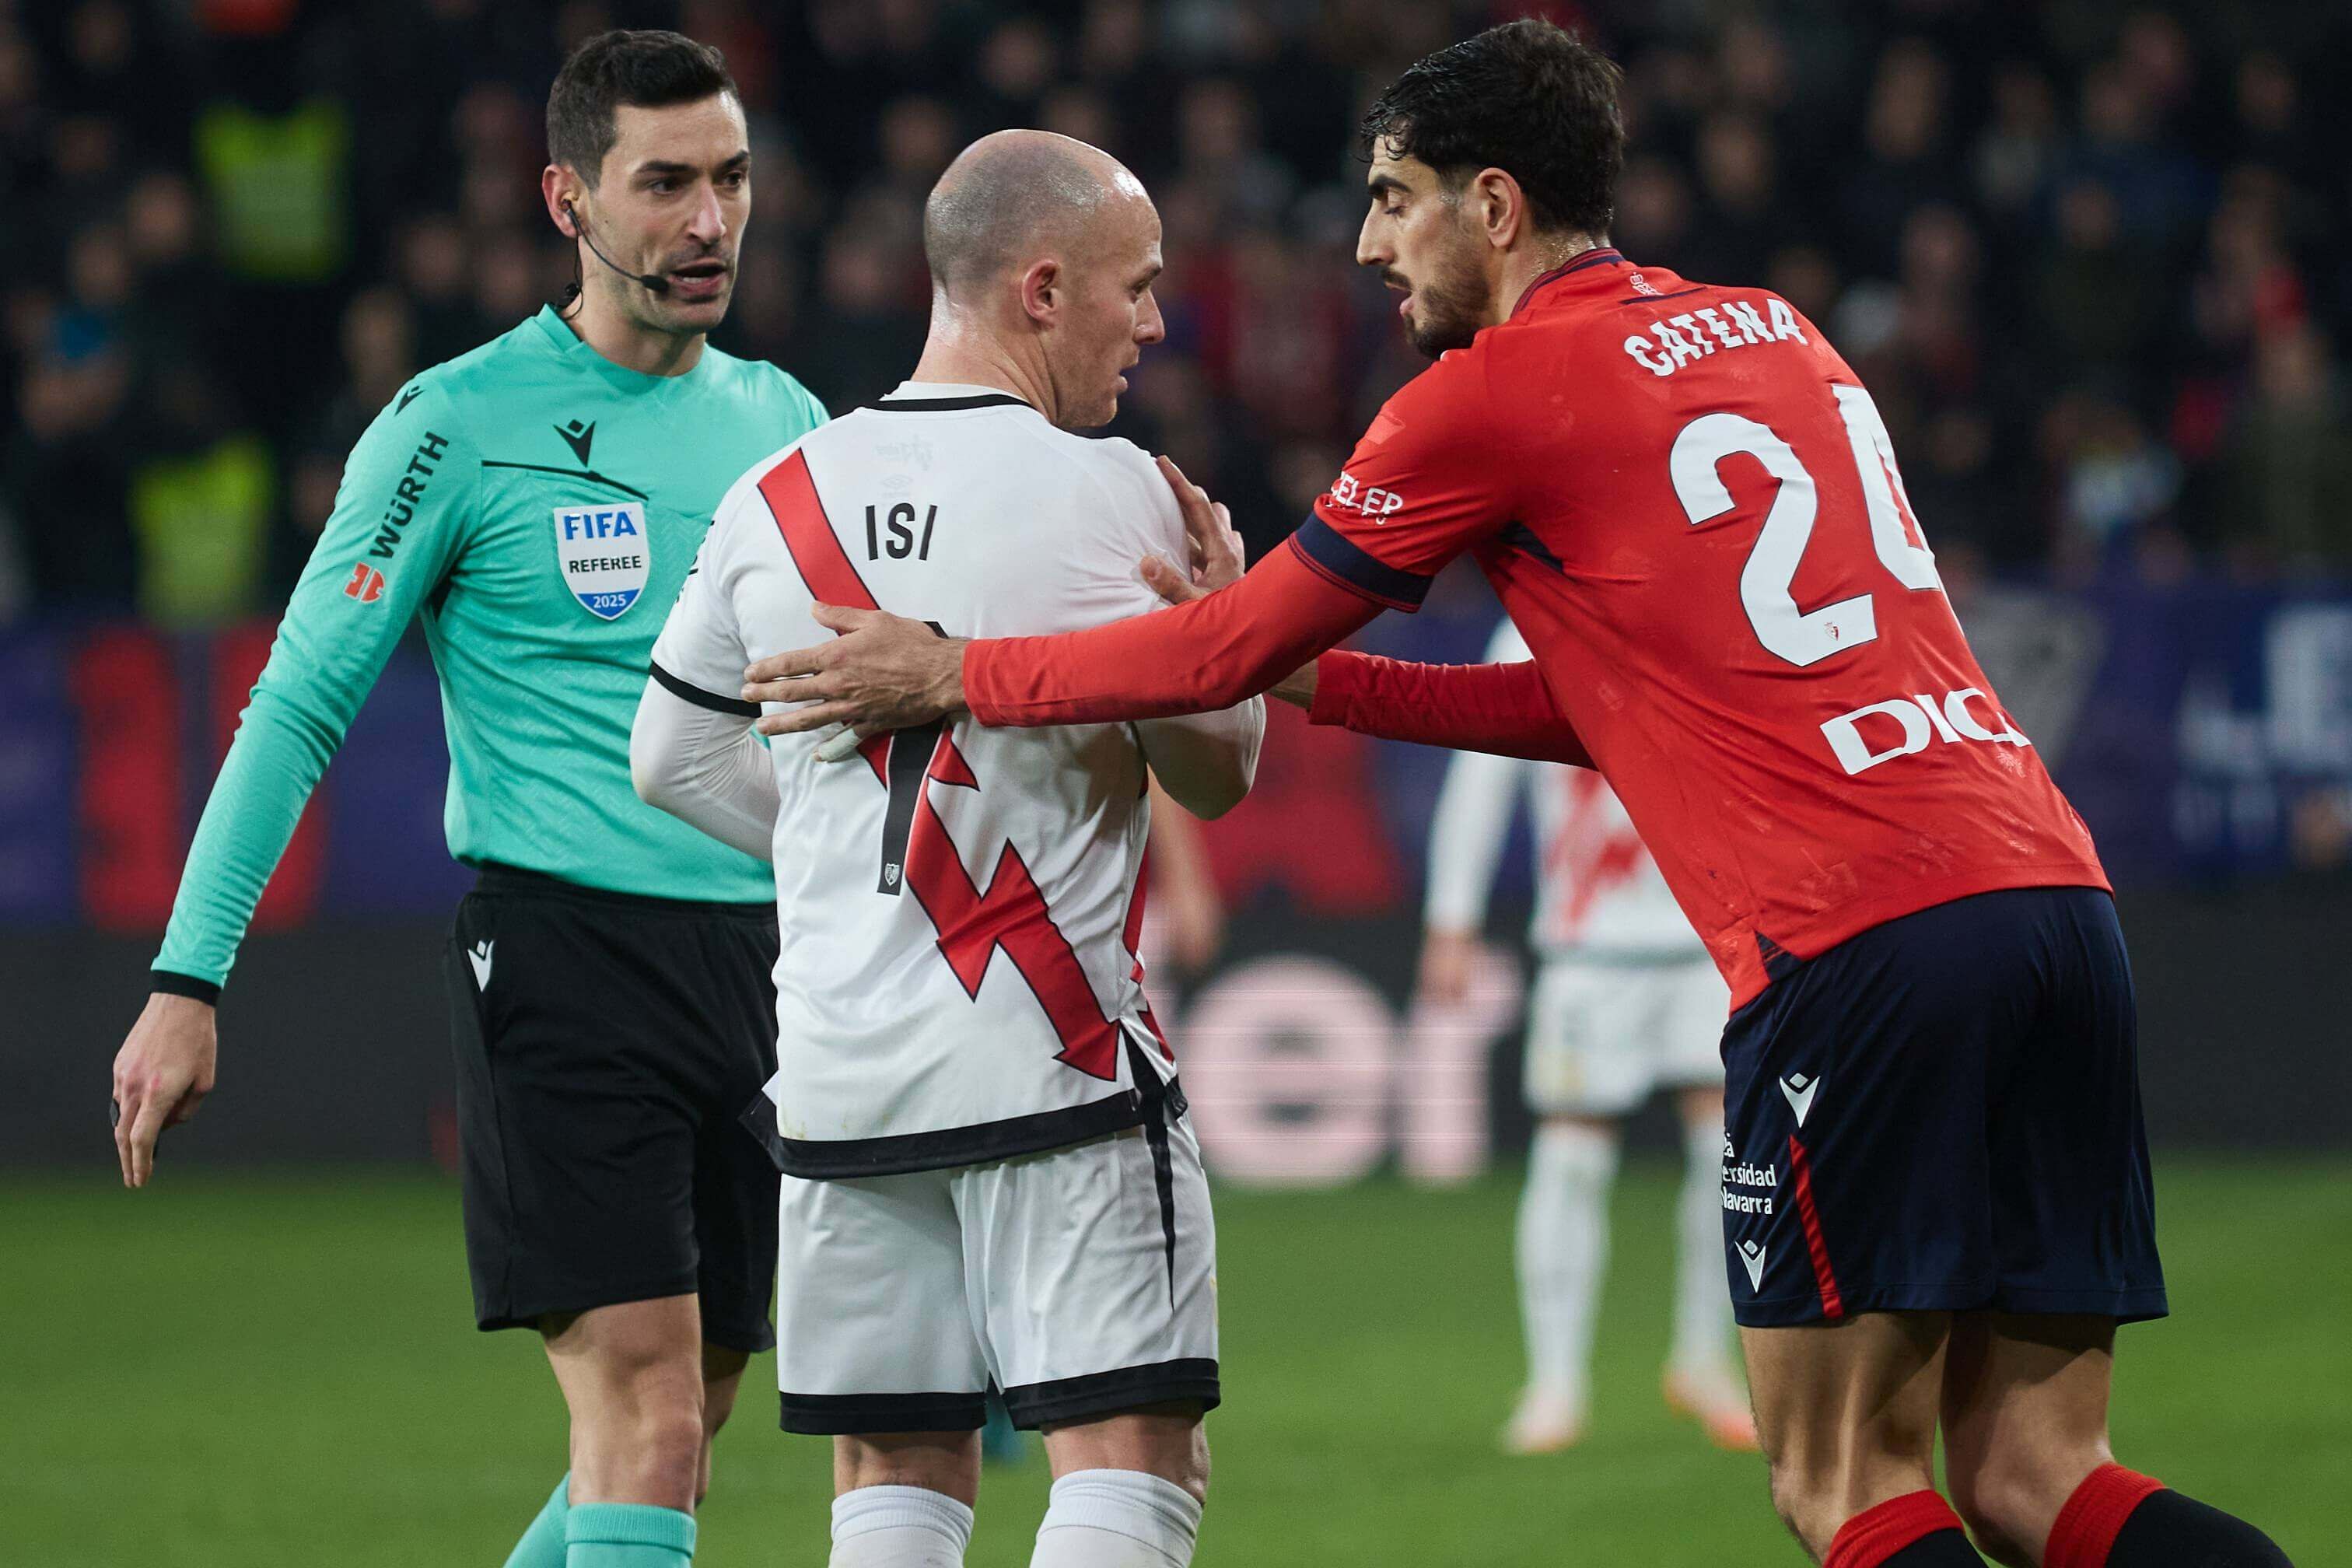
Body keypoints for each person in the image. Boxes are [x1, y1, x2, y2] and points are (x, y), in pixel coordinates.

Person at [740, 23, 2294, 1568]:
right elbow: (1607, 707)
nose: (1366, 245)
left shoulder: (1489, 394)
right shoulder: (1775, 332)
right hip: (2050, 901)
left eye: (1391, 198)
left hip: (1861, 945)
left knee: (1844, 1483)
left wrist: (956, 673)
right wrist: (1326, 683)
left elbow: (1220, 648)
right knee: (2037, 1477)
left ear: (1491, 206)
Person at [106, 32, 830, 1568]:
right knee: (646, 1418)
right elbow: (299, 699)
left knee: (690, 1419)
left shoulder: (787, 423)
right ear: (567, 201)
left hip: (769, 965)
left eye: (730, 178)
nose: (709, 220)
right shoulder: (453, 424)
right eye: (664, 184)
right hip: (568, 955)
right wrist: (187, 978)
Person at [628, 130, 1262, 1568]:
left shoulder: (772, 496)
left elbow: (669, 759)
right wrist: (1219, 633)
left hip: (840, 1079)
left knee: (894, 1471)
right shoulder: (1117, 494)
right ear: (1042, 290)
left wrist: (852, 843)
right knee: (1133, 1462)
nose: (1154, 324)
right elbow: (1215, 778)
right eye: (1135, 287)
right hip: (1051, 1055)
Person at [1420, 618, 1751, 1455]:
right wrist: (1451, 916)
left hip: (1707, 934)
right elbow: (1480, 774)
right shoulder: (1532, 625)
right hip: (1589, 944)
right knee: (1573, 1153)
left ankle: (1706, 1361)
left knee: (1727, 1155)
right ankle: (1555, 1384)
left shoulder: (1702, 605)